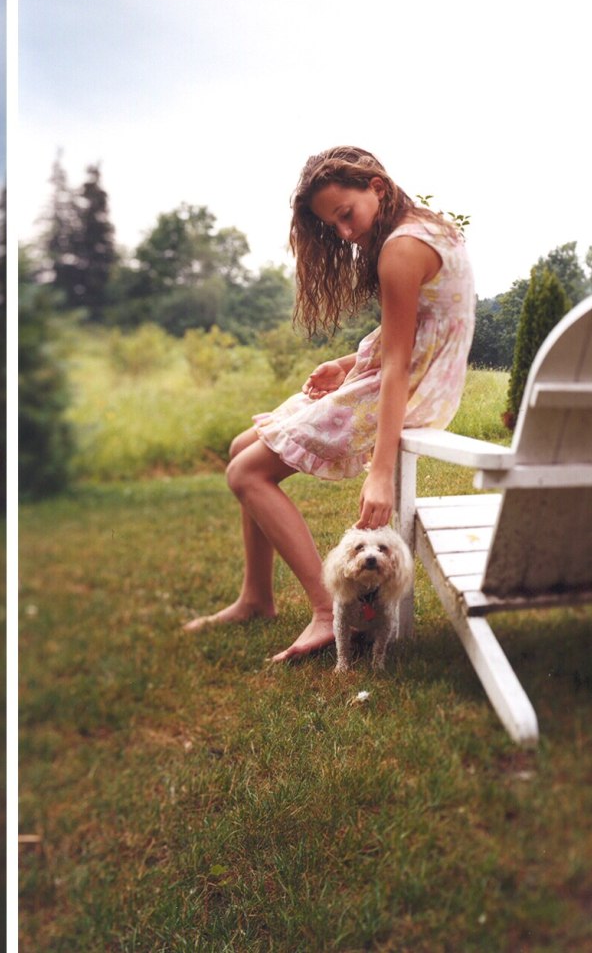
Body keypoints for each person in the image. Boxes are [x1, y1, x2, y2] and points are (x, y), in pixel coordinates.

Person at [183, 146, 474, 662]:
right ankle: (256, 597)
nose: (343, 232)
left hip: (405, 390)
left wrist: (380, 472)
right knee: (243, 446)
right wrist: (345, 365)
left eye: (346, 214)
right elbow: (415, 331)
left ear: (376, 188)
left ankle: (325, 610)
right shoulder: (425, 227)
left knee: (245, 473)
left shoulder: (401, 248)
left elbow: (401, 363)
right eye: (332, 225)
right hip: (397, 377)